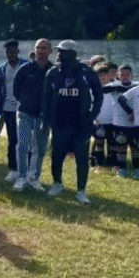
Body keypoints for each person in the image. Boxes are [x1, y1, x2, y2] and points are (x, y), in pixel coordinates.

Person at [42, 40, 104, 204]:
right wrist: (46, 121)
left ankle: (81, 191)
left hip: (81, 123)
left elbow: (99, 95)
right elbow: (46, 99)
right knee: (57, 154)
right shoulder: (53, 72)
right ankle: (57, 184)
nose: (59, 55)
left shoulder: (86, 72)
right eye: (59, 52)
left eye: (63, 52)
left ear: (72, 54)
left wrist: (92, 116)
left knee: (82, 157)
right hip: (59, 122)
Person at [0, 40, 28, 183]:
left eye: (13, 52)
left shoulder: (26, 66)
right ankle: (13, 169)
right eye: (8, 52)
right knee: (12, 139)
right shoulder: (1, 69)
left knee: (25, 140)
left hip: (24, 108)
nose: (11, 54)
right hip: (8, 109)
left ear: (18, 52)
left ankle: (26, 170)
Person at [108, 64, 137, 176]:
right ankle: (121, 168)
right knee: (121, 146)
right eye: (122, 74)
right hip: (119, 122)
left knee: (135, 146)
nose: (125, 76)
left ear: (132, 76)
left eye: (127, 74)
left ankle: (136, 168)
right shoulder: (113, 86)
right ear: (118, 75)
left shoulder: (137, 86)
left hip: (135, 122)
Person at [90, 64, 115, 172]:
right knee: (99, 142)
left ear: (110, 76)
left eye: (105, 75)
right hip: (99, 121)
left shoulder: (114, 88)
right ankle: (98, 164)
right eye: (100, 75)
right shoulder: (93, 89)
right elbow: (90, 105)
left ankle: (111, 164)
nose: (103, 78)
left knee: (112, 143)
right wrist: (93, 119)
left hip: (113, 122)